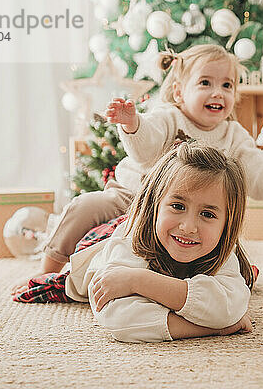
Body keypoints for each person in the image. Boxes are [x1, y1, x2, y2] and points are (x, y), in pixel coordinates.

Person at [11, 43, 263, 295]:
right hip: (134, 196)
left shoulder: (233, 136)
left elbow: (260, 169)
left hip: (191, 214)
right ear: (179, 91)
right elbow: (146, 146)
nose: (217, 92)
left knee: (236, 265)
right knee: (85, 205)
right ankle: (47, 269)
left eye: (227, 85)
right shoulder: (168, 116)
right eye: (205, 83)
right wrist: (134, 124)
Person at [65, 142, 253, 342]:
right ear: (155, 204)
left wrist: (137, 281)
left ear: (227, 224)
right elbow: (119, 319)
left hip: (153, 261)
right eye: (178, 206)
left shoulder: (222, 249)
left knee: (247, 276)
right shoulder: (129, 241)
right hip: (102, 244)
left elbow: (229, 307)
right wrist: (217, 328)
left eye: (207, 214)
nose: (188, 227)